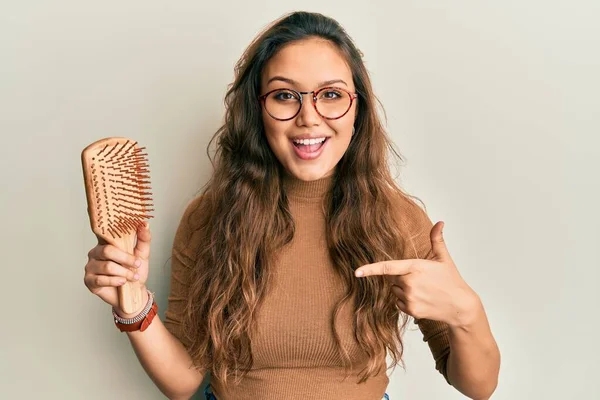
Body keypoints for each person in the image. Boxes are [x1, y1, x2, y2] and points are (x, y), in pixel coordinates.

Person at [83, 11, 500, 400]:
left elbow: (478, 386)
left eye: (331, 95)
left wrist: (466, 312)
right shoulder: (209, 218)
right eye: (285, 95)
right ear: (257, 109)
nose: (309, 117)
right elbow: (184, 381)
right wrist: (133, 304)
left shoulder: (397, 220)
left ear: (358, 108)